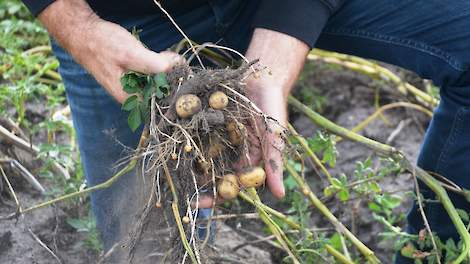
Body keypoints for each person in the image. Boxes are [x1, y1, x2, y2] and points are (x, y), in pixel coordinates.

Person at [22, 0, 470, 263]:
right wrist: (77, 27)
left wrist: (277, 49)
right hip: (120, 20)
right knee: (149, 247)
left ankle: (433, 254)